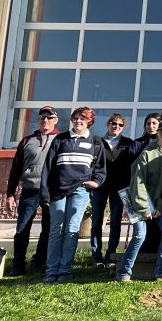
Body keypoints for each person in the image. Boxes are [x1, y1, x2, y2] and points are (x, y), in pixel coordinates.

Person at [40, 106, 106, 284]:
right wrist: (44, 192)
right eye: (76, 118)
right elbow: (48, 167)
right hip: (57, 190)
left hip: (80, 190)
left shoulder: (96, 142)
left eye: (83, 118)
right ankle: (52, 270)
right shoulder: (61, 139)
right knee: (56, 229)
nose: (78, 121)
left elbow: (100, 169)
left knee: (71, 229)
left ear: (89, 121)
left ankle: (64, 270)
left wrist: (96, 182)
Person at [116, 118, 162, 282]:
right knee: (139, 235)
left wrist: (160, 207)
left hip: (159, 204)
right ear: (158, 133)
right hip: (137, 201)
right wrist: (144, 208)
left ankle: (160, 272)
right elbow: (138, 182)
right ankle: (124, 272)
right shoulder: (146, 153)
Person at [6, 105, 59, 275]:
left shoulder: (61, 140)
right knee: (22, 228)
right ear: (38, 120)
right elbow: (15, 169)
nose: (46, 120)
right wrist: (10, 193)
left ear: (55, 120)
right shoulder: (27, 140)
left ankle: (39, 262)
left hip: (50, 191)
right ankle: (18, 264)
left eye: (49, 118)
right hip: (29, 190)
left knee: (48, 229)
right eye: (43, 117)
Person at [91, 112, 135, 268]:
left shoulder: (128, 143)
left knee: (115, 222)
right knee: (96, 221)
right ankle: (96, 256)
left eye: (120, 124)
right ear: (108, 124)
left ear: (123, 127)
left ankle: (111, 255)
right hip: (100, 187)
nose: (116, 126)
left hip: (119, 187)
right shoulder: (97, 142)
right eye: (113, 123)